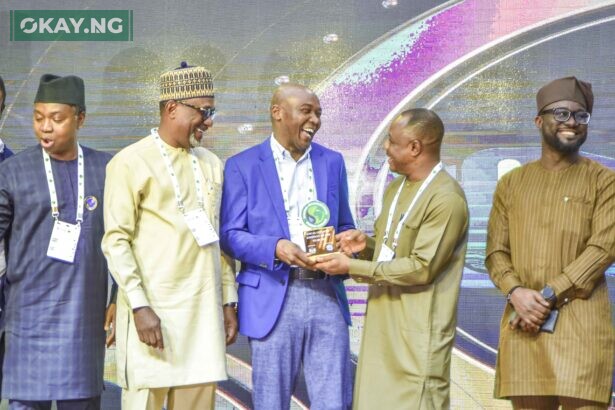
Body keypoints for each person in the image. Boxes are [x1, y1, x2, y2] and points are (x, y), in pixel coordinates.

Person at [102, 62, 238, 410]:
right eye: (203, 111)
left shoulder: (212, 163)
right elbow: (116, 242)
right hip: (153, 319)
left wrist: (228, 301)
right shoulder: (130, 162)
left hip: (203, 320)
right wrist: (139, 306)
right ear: (172, 108)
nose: (208, 121)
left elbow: (219, 240)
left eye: (211, 111)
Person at [314, 108, 469, 409]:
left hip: (417, 336)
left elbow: (421, 268)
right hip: (381, 329)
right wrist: (365, 245)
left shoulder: (446, 198)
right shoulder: (396, 187)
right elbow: (394, 251)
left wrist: (351, 266)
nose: (385, 147)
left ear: (415, 147)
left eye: (392, 141)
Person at [220, 83, 354, 410]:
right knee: (271, 402)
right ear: (277, 112)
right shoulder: (243, 165)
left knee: (334, 401)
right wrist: (275, 247)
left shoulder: (332, 162)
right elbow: (230, 234)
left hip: (326, 292)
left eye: (318, 113)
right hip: (271, 294)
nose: (315, 120)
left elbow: (345, 224)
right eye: (306, 111)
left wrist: (349, 241)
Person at [486, 76, 615, 409]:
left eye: (580, 115)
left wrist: (544, 297)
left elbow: (602, 249)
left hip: (580, 328)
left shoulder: (605, 181)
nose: (571, 122)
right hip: (523, 326)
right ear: (538, 121)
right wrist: (516, 292)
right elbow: (496, 252)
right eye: (561, 113)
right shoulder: (511, 184)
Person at [0, 74, 111, 409]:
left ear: (80, 119)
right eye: (38, 118)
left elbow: (127, 240)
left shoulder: (107, 169)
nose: (45, 127)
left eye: (56, 118)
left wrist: (120, 297)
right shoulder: (12, 171)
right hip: (27, 320)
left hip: (83, 319)